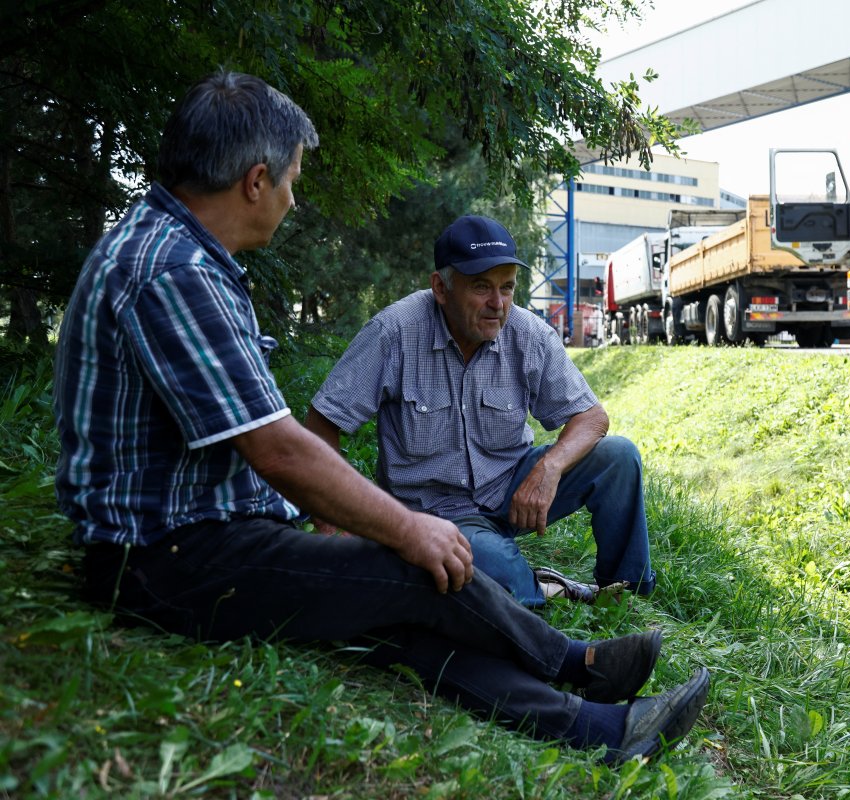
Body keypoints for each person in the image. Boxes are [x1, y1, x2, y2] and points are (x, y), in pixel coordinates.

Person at [53, 70, 708, 764]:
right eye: (291, 180)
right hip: (169, 558)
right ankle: (579, 664)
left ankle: (604, 730)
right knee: (416, 571)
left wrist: (530, 475)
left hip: (204, 538)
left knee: (401, 617)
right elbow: (281, 448)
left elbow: (588, 417)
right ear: (255, 180)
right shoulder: (173, 270)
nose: (293, 198)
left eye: (503, 288)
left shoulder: (183, 257)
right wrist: (403, 526)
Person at [303, 215, 655, 607]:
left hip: (512, 489)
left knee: (619, 457)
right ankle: (541, 589)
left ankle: (628, 594)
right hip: (437, 513)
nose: (497, 304)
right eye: (481, 287)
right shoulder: (394, 333)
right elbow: (322, 423)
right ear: (441, 287)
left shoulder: (529, 333)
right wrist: (332, 522)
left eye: (507, 288)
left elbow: (592, 418)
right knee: (494, 568)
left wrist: (547, 470)